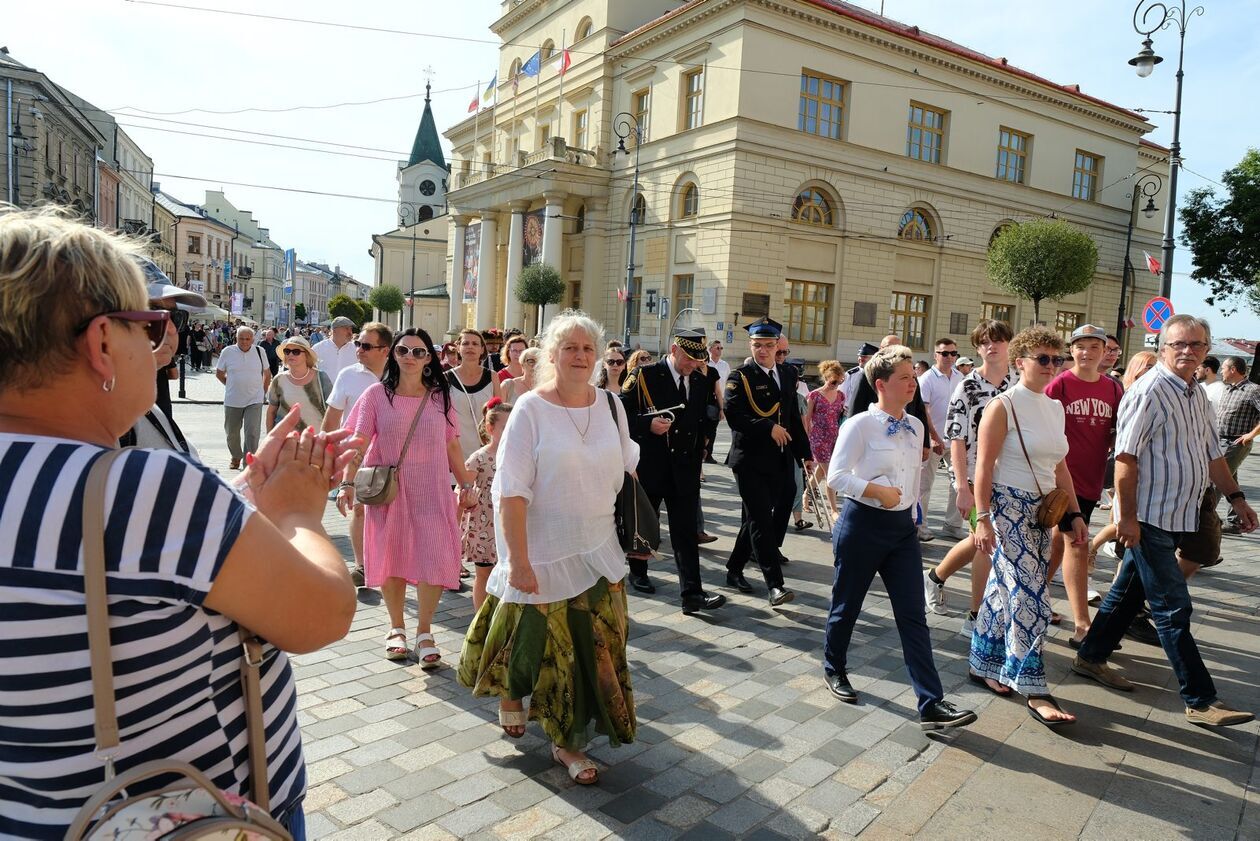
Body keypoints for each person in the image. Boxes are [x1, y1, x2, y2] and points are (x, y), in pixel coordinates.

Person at [0, 207, 357, 839]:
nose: (162, 345)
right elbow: (322, 613)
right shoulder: (146, 490)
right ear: (103, 343)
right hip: (194, 818)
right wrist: (301, 507)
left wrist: (242, 493)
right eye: (149, 324)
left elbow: (125, 559)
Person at [458, 310, 639, 786]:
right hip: (542, 546)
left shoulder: (612, 406)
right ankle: (513, 696)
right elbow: (511, 490)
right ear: (552, 356)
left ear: (598, 357)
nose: (580, 356)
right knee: (533, 643)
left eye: (587, 349)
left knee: (587, 652)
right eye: (569, 348)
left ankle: (568, 743)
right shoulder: (531, 410)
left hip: (597, 547)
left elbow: (627, 463)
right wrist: (516, 560)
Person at [1073, 315, 1257, 727]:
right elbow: (1125, 459)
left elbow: (1213, 455)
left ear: (1207, 350)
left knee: (1126, 595)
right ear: (1162, 347)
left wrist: (1238, 498)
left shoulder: (1196, 393)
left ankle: (1090, 656)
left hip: (1181, 512)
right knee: (1173, 606)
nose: (1187, 351)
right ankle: (1201, 699)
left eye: (1196, 345)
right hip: (1151, 516)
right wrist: (1128, 519)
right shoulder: (1150, 391)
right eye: (1178, 344)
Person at [823, 345, 977, 731]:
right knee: (847, 606)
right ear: (881, 384)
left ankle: (931, 703)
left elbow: (914, 476)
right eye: (905, 378)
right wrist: (875, 491)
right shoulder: (858, 425)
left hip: (902, 532)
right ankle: (834, 668)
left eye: (913, 377)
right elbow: (836, 477)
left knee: (913, 617)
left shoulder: (917, 425)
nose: (913, 384)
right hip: (862, 527)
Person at [969, 327, 1084, 726]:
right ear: (1020, 362)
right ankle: (1034, 687)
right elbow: (983, 466)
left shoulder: (1054, 408)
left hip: (1042, 512)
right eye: (1043, 358)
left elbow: (1060, 466)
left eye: (1057, 359)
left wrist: (1074, 515)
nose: (1052, 366)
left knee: (1006, 590)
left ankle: (982, 662)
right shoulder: (1004, 405)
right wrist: (982, 518)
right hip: (1006, 507)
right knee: (1030, 596)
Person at [347, 328, 477, 663]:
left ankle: (424, 631)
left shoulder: (440, 396)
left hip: (432, 489)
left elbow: (451, 442)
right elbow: (359, 441)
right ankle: (396, 628)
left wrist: (465, 483)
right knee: (392, 558)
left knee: (432, 557)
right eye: (404, 350)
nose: (410, 357)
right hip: (390, 491)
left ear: (429, 359)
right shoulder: (376, 395)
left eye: (419, 352)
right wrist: (347, 482)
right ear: (393, 354)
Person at [620, 327, 727, 613]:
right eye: (689, 358)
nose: (693, 365)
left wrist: (703, 442)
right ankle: (638, 572)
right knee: (646, 521)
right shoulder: (645, 375)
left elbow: (707, 415)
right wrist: (647, 425)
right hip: (651, 466)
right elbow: (619, 415)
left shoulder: (701, 380)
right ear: (674, 350)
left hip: (685, 469)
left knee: (685, 532)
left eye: (698, 359)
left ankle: (692, 594)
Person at [923, 319, 1015, 627]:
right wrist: (962, 486)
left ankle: (935, 576)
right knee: (986, 543)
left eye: (998, 340)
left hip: (1011, 475)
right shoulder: (968, 387)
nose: (992, 346)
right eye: (984, 342)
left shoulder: (1018, 381)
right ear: (977, 348)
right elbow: (957, 440)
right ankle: (976, 617)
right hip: (976, 477)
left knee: (984, 539)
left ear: (1008, 344)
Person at [723, 317, 811, 605]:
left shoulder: (786, 374)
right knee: (762, 520)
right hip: (750, 460)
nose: (762, 351)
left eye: (768, 345)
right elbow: (734, 416)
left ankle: (734, 568)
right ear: (751, 346)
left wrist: (805, 454)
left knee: (756, 517)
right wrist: (767, 427)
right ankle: (775, 585)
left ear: (778, 346)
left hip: (781, 459)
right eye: (757, 345)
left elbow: (793, 419)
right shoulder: (740, 377)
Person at [1045, 325, 1123, 646]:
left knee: (1058, 545)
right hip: (1060, 480)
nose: (1087, 353)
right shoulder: (1060, 384)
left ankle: (1035, 596)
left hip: (1091, 481)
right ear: (1071, 350)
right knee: (1077, 542)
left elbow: (1122, 431)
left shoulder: (1114, 389)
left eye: (1095, 346)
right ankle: (1082, 625)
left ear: (1105, 351)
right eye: (1081, 346)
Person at [847, 334, 936, 540]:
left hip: (907, 436)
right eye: (890, 349)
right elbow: (856, 410)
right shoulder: (865, 379)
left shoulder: (914, 421)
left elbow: (919, 408)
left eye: (912, 377)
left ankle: (916, 525)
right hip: (867, 511)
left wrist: (923, 442)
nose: (912, 383)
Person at [325, 322, 393, 588]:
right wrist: (327, 454)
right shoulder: (348, 375)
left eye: (365, 346)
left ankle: (389, 563)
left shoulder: (400, 376)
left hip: (391, 456)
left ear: (385, 350)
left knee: (391, 512)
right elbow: (332, 418)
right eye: (358, 344)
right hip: (358, 456)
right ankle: (362, 566)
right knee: (360, 509)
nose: (359, 350)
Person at [462, 398, 513, 610]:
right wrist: (467, 499)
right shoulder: (479, 457)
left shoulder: (518, 455)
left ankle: (503, 616)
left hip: (509, 523)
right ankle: (480, 617)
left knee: (509, 570)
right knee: (484, 572)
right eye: (505, 427)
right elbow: (463, 487)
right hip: (483, 525)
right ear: (491, 428)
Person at [917, 337, 967, 540]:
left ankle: (953, 525)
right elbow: (924, 410)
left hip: (955, 439)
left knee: (959, 483)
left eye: (953, 353)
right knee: (924, 485)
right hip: (933, 439)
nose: (949, 357)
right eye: (945, 353)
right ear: (936, 354)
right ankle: (921, 526)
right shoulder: (927, 378)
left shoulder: (960, 377)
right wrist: (934, 437)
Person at [1214, 356, 1260, 534]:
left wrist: (1251, 434)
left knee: (1217, 481)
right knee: (1231, 480)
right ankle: (1234, 522)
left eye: (1223, 368)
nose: (1221, 372)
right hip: (1220, 440)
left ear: (1233, 369)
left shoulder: (1253, 390)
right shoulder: (1228, 389)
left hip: (1235, 443)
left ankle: (1204, 520)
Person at [216, 325, 271, 470]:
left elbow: (267, 373)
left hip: (254, 399)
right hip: (233, 399)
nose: (245, 342)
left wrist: (263, 392)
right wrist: (231, 385)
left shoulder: (260, 351)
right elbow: (219, 373)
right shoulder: (228, 352)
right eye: (241, 338)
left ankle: (249, 462)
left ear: (253, 339)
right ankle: (236, 456)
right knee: (232, 432)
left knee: (252, 432)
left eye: (248, 339)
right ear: (236, 338)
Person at [448, 328, 502, 460]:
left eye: (475, 344)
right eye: (465, 343)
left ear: (482, 349)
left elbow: (500, 415)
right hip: (455, 450)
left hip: (486, 451)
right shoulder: (446, 378)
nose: (470, 347)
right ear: (458, 347)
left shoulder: (493, 377)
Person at [266, 335, 334, 430]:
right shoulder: (279, 379)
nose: (290, 355)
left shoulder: (321, 377)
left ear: (306, 355)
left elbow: (332, 411)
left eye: (296, 352)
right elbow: (271, 412)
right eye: (287, 351)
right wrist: (270, 438)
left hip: (314, 438)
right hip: (285, 439)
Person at [804, 360, 846, 514]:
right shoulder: (814, 395)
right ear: (826, 377)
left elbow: (839, 417)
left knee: (820, 473)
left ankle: (805, 496)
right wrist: (806, 441)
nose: (836, 384)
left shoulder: (841, 395)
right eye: (834, 381)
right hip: (818, 438)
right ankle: (834, 510)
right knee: (831, 474)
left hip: (834, 438)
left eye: (840, 381)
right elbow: (807, 420)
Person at [312, 315, 358, 383]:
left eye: (351, 329)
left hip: (349, 393)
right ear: (335, 330)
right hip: (324, 392)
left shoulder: (356, 350)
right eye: (346, 328)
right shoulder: (318, 349)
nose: (350, 332)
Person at [839, 342, 877, 409]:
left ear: (873, 358)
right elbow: (840, 394)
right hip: (851, 411)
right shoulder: (850, 374)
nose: (861, 359)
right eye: (860, 356)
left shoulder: (879, 374)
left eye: (865, 357)